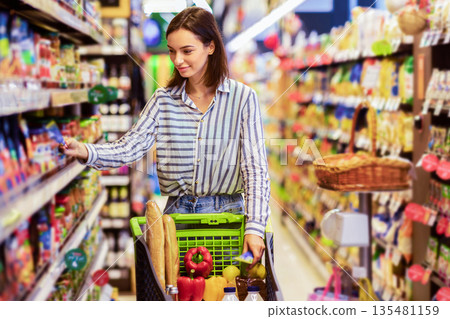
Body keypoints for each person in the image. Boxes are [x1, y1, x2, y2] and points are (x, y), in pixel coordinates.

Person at [63, 7, 270, 268]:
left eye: (187, 51)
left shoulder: (243, 99)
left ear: (211, 47)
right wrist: (86, 151)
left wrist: (255, 227)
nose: (177, 60)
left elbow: (255, 168)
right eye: (172, 51)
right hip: (177, 220)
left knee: (225, 295)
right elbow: (130, 147)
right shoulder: (164, 100)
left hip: (227, 221)